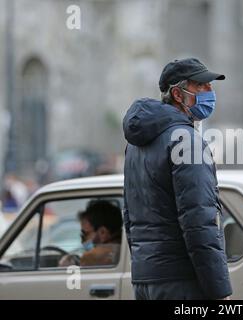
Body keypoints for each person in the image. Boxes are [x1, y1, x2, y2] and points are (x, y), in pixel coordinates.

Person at [122, 58, 232, 300]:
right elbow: (199, 220)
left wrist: (146, 267)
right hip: (181, 282)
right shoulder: (186, 140)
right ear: (177, 94)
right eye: (200, 86)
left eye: (210, 86)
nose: (209, 92)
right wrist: (219, 290)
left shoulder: (135, 145)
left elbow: (130, 215)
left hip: (146, 279)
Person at [59, 200, 122, 267]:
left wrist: (66, 265)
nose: (82, 241)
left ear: (103, 232)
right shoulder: (124, 249)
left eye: (85, 234)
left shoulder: (91, 257)